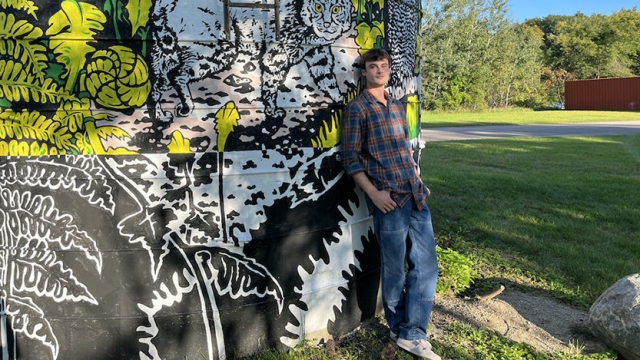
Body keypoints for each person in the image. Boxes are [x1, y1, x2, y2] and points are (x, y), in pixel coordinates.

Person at [340, 48, 440, 360]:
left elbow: (407, 149)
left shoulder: (399, 106)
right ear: (365, 72)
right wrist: (374, 194)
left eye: (384, 66)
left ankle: (415, 331)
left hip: (415, 195)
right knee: (395, 269)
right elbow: (350, 159)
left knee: (426, 267)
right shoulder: (358, 109)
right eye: (374, 66)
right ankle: (400, 329)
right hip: (389, 200)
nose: (380, 70)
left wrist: (419, 180)